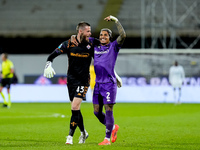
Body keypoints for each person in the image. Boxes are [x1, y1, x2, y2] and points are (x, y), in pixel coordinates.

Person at [43, 22, 94, 144]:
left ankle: (70, 136)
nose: (90, 34)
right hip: (71, 80)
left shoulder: (91, 44)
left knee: (74, 106)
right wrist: (48, 65)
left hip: (83, 80)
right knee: (76, 109)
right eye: (88, 31)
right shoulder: (68, 43)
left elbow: (102, 58)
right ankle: (83, 133)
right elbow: (52, 55)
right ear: (80, 31)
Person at [90, 15, 125, 145]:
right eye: (101, 35)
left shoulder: (114, 46)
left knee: (108, 109)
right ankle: (113, 127)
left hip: (109, 84)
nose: (102, 37)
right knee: (96, 112)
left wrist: (116, 20)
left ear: (110, 37)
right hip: (97, 84)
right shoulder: (95, 47)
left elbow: (123, 36)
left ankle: (107, 139)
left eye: (105, 35)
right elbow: (84, 38)